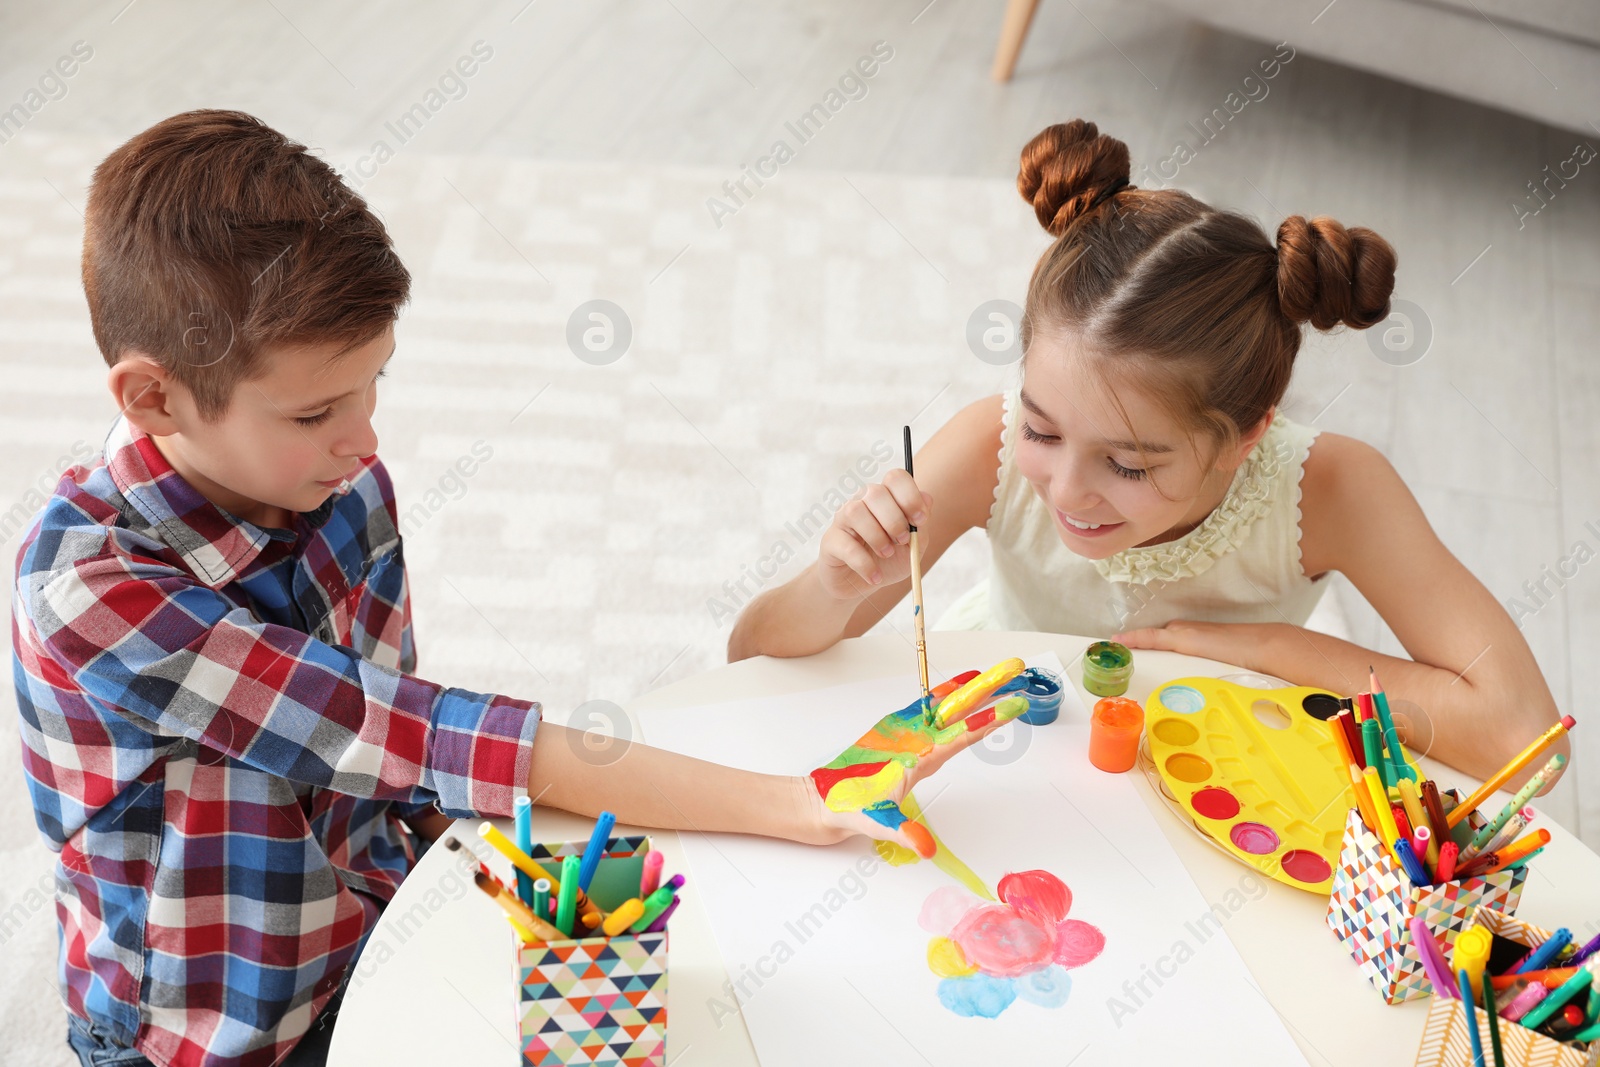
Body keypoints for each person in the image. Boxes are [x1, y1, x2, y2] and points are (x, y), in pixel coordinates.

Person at [10, 110, 1013, 1067]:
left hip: (373, 931)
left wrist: (515, 872)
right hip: (210, 1030)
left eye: (375, 385)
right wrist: (793, 800)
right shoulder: (89, 595)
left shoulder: (343, 484)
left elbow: (398, 767)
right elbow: (407, 730)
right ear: (152, 397)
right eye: (316, 410)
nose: (365, 440)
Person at [728, 118, 1567, 789]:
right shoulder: (987, 443)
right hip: (1004, 765)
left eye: (1129, 465)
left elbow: (1527, 739)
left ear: (1248, 436)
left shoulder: (1333, 489)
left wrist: (1264, 652)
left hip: (1214, 774)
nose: (1066, 489)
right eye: (1043, 428)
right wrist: (832, 584)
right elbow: (748, 671)